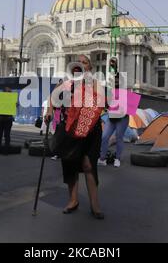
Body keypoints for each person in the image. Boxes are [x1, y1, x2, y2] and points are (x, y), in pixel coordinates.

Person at [45, 54, 105, 219]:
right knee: (70, 163)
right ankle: (73, 200)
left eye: (85, 62)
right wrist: (50, 111)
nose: (82, 65)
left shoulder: (95, 83)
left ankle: (95, 204)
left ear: (90, 67)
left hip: (90, 129)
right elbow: (53, 97)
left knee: (88, 165)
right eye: (79, 62)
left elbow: (101, 102)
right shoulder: (66, 81)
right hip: (70, 129)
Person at [98, 57, 128, 168]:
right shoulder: (110, 91)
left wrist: (115, 68)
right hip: (112, 117)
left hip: (123, 117)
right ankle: (102, 158)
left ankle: (117, 159)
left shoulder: (123, 90)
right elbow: (106, 103)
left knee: (119, 138)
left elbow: (116, 75)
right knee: (105, 137)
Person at [0, 87, 15, 155]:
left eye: (9, 92)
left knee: (6, 135)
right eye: (7, 91)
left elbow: (15, 106)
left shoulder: (11, 99)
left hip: (8, 119)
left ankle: (6, 150)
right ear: (3, 92)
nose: (8, 93)